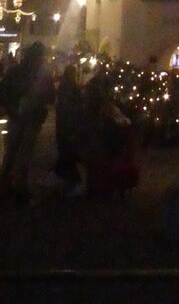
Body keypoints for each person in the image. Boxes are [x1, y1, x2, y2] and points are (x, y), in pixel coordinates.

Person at [0, 42, 55, 201]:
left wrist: (10, 107)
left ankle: (6, 184)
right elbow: (51, 97)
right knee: (24, 153)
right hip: (30, 118)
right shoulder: (42, 74)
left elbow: (3, 91)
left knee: (12, 152)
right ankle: (19, 186)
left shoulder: (14, 72)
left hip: (18, 116)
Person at [81, 68, 138, 195]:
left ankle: (97, 186)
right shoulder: (101, 103)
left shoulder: (94, 100)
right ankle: (102, 186)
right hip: (102, 135)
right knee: (102, 159)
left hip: (98, 134)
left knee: (97, 160)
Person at [53, 64, 85, 195]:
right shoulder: (71, 87)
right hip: (68, 124)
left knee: (65, 153)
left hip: (63, 124)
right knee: (67, 153)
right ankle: (71, 181)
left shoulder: (64, 86)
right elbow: (72, 106)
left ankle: (63, 179)